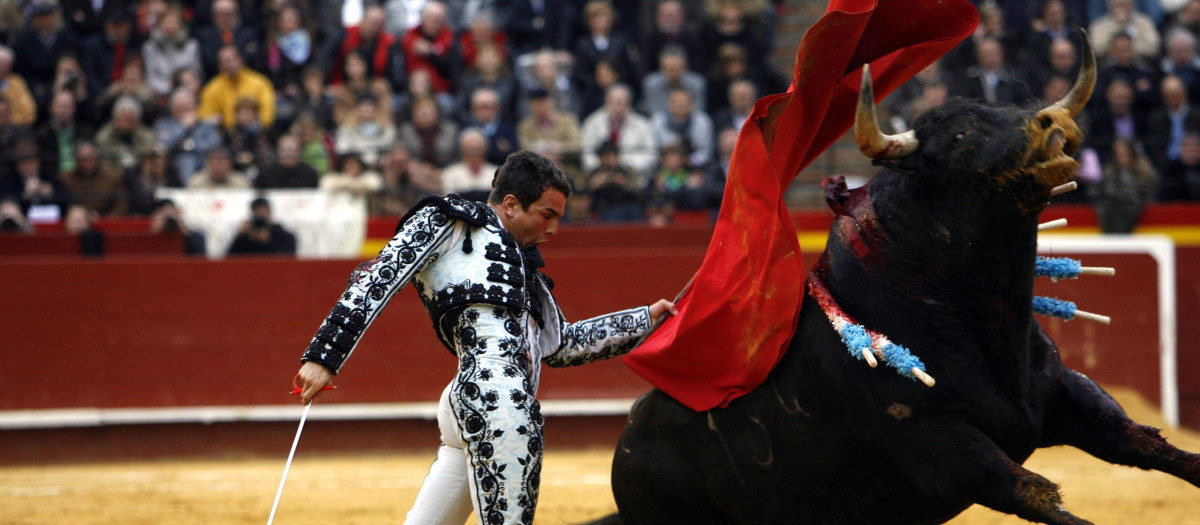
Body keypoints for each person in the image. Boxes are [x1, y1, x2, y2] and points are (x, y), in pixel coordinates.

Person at [294, 150, 678, 524]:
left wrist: (647, 319)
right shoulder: (450, 221)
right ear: (511, 204)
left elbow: (563, 345)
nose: (553, 230)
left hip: (470, 401)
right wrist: (324, 356)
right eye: (547, 215)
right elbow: (380, 278)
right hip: (500, 407)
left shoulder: (526, 272)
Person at [227, 197, 297, 254]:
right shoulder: (246, 237)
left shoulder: (283, 236)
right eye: (256, 213)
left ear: (269, 212)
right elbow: (230, 260)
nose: (260, 217)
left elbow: (287, 259)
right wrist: (240, 236)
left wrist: (266, 242)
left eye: (263, 213)